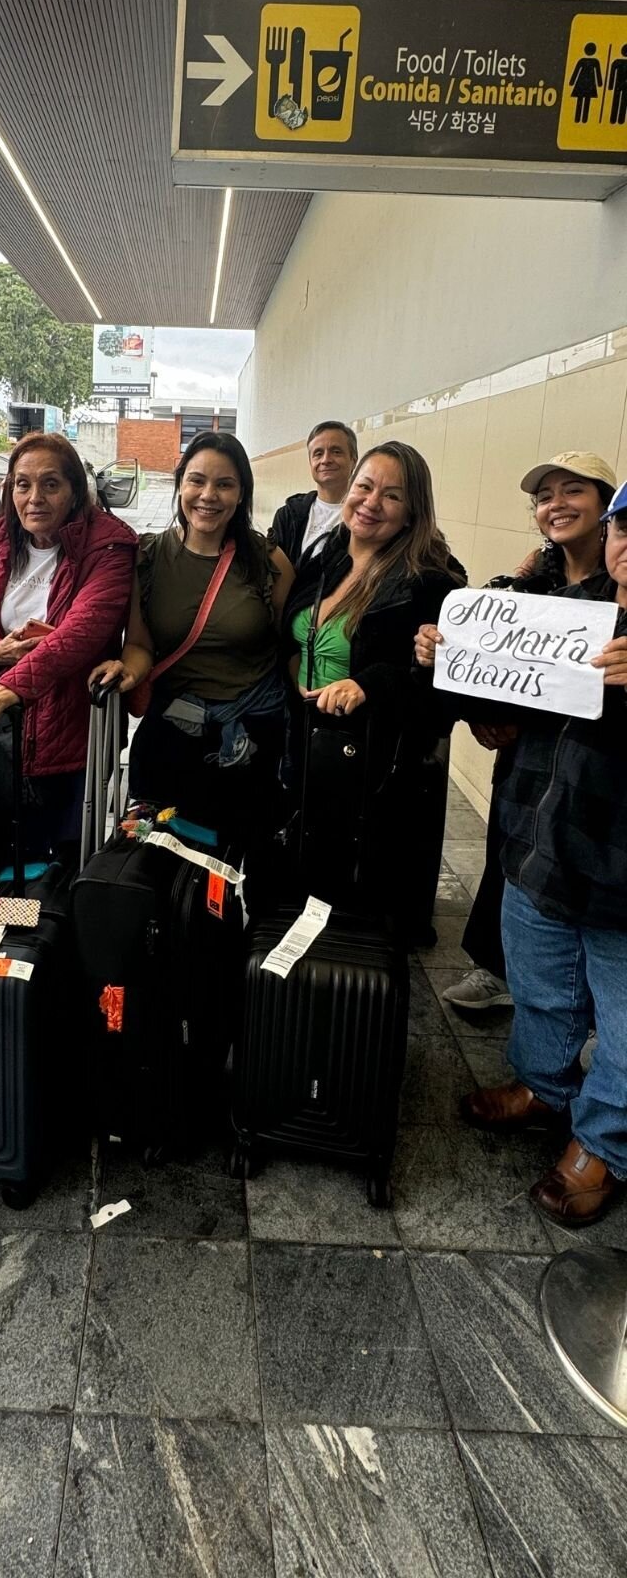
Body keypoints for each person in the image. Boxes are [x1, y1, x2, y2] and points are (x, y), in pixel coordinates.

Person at [415, 485, 627, 1226]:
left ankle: (602, 1145)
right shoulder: (569, 611)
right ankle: (544, 1088)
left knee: (624, 1023)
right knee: (541, 987)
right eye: (625, 529)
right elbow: (503, 707)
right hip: (539, 843)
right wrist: (451, 658)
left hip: (620, 873)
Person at [444, 450, 616, 1014]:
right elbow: (488, 670)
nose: (556, 504)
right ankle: (498, 970)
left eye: (573, 491)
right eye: (544, 497)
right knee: (513, 865)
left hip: (595, 777)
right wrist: (453, 669)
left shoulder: (618, 591)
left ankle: (586, 1007)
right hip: (525, 769)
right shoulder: (525, 587)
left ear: (606, 505)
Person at [92, 431, 292, 896]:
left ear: (241, 494)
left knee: (241, 860)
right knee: (164, 859)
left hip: (251, 740)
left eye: (224, 484)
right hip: (174, 736)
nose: (208, 495)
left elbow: (290, 644)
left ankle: (229, 932)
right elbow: (139, 644)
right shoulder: (148, 557)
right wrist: (128, 670)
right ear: (180, 484)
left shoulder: (269, 561)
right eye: (197, 481)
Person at [282, 441, 465, 923]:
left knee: (356, 903)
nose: (371, 502)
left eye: (392, 495)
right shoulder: (325, 558)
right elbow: (296, 633)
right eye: (364, 486)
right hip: (306, 744)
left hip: (372, 767)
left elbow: (443, 699)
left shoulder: (431, 583)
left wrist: (371, 684)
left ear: (411, 513)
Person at [0, 432, 138, 869]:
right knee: (15, 864)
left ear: (75, 491)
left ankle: (62, 912)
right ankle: (16, 914)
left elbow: (81, 634)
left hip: (74, 732)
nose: (34, 498)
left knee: (69, 861)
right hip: (4, 733)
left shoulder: (108, 544)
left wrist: (13, 685)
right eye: (23, 484)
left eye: (50, 484)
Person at [272, 420, 357, 567]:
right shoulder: (288, 515)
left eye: (336, 452)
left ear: (353, 461)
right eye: (318, 454)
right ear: (311, 463)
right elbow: (275, 571)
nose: (326, 460)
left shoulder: (365, 514)